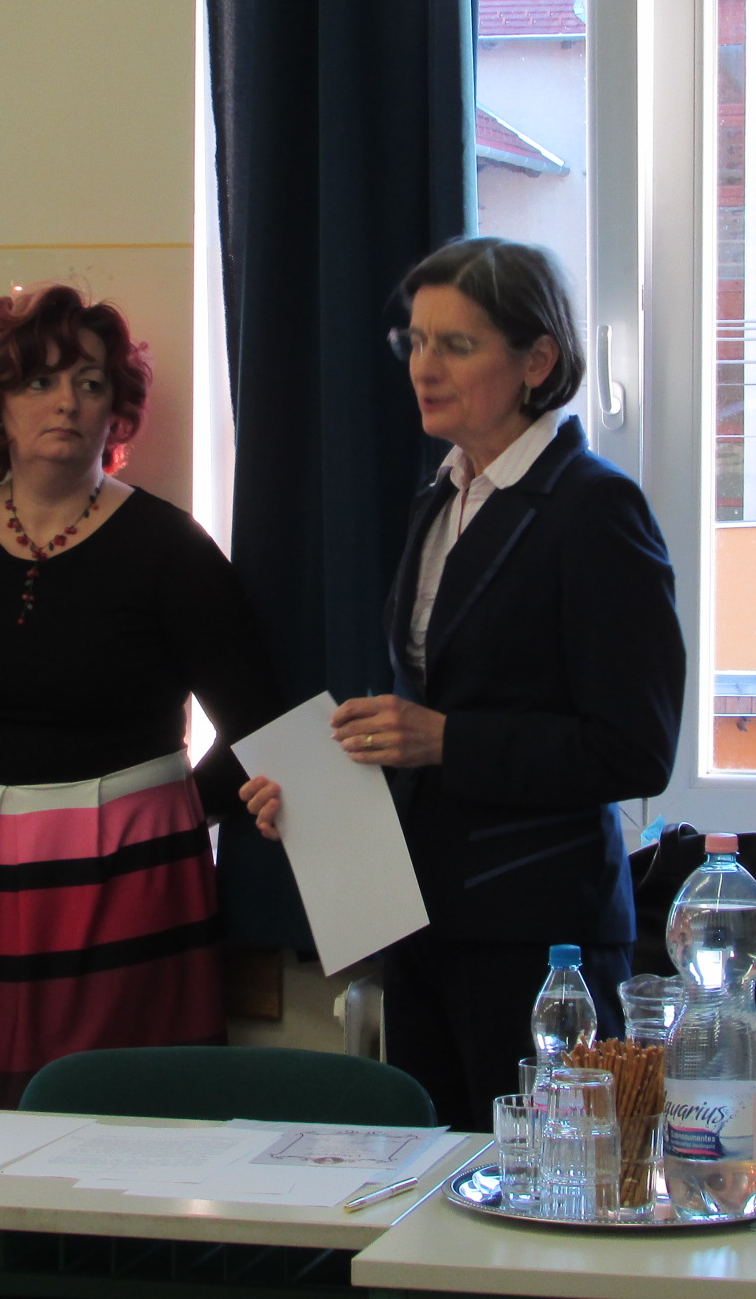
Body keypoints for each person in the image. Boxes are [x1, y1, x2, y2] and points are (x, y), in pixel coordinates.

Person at [241, 238, 686, 1131]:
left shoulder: (594, 508)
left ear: (537, 360)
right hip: (424, 917)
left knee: (539, 1191)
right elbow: (425, 714)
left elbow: (636, 748)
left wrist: (446, 739)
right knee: (430, 1185)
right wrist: (321, 795)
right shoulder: (440, 498)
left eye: (457, 344)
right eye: (414, 341)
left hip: (542, 935)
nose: (423, 367)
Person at [0, 285, 280, 1108]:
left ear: (116, 411)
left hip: (133, 883)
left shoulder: (170, 548)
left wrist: (164, 819)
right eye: (39, 382)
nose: (67, 403)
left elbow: (263, 725)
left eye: (90, 383)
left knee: (122, 1120)